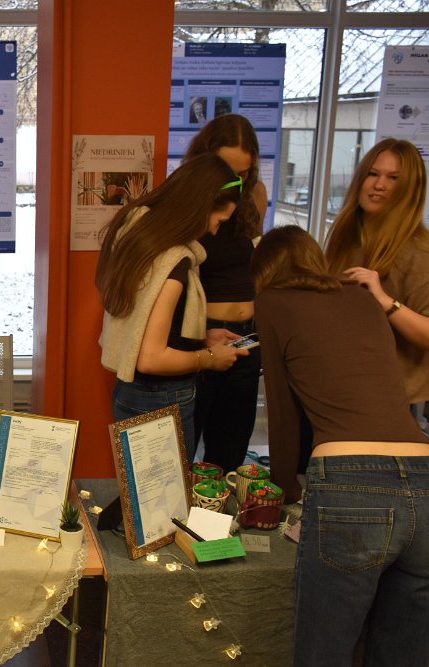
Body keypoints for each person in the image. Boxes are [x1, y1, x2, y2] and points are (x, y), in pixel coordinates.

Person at [251, 225, 429, 666]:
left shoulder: (272, 301)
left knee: (324, 652)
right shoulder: (363, 298)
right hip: (424, 473)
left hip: (351, 481)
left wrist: (282, 489)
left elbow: (282, 410)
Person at [97, 153, 248, 458]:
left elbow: (145, 322)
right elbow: (151, 358)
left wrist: (200, 338)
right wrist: (209, 358)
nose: (214, 231)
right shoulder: (174, 262)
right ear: (200, 207)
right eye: (218, 221)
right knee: (168, 489)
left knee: (139, 488)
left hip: (130, 393)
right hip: (162, 398)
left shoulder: (139, 232)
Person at [185, 114, 268, 472]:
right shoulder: (189, 196)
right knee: (183, 446)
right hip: (202, 332)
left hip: (247, 336)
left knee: (231, 450)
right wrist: (195, 335)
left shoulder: (256, 194)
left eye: (243, 173)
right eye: (225, 171)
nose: (235, 181)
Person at [325, 138, 429, 413]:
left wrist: (386, 302)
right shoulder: (345, 238)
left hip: (393, 399)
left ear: (410, 188)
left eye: (393, 178)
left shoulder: (420, 250)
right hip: (343, 386)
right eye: (373, 174)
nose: (379, 185)